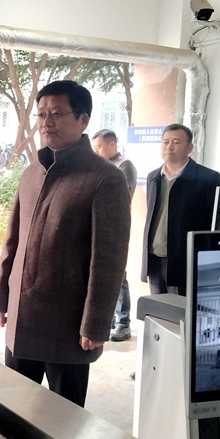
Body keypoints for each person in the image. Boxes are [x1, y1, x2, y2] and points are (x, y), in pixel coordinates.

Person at [0, 81, 130, 407]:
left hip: (68, 325)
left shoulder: (105, 178)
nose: (46, 122)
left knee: (64, 420)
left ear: (83, 119)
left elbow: (109, 261)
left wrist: (96, 323)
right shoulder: (31, 173)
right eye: (41, 115)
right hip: (23, 319)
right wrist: (0, 296)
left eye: (56, 113)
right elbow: (12, 242)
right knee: (15, 411)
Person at [142, 124, 220, 296]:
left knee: (180, 310)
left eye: (176, 142)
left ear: (189, 148)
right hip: (154, 259)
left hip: (185, 263)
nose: (169, 147)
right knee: (157, 308)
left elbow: (215, 224)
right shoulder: (153, 177)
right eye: (165, 142)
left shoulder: (208, 179)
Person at [92, 128, 137, 342]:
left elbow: (122, 197)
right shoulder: (99, 166)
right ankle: (107, 319)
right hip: (98, 227)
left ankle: (123, 323)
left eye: (99, 147)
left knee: (119, 275)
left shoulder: (124, 165)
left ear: (112, 144)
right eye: (94, 148)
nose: (96, 151)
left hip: (117, 228)